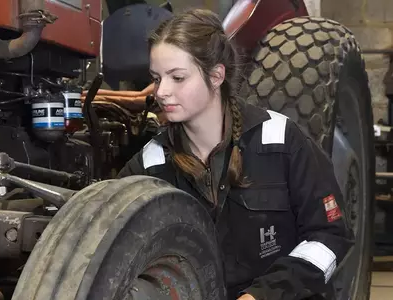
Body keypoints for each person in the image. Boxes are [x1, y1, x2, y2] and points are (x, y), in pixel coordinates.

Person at [116, 7, 353, 300]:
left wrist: (263, 295)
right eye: (156, 78)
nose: (161, 91)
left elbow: (330, 236)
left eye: (177, 78)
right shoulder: (151, 163)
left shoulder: (281, 141)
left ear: (216, 76)